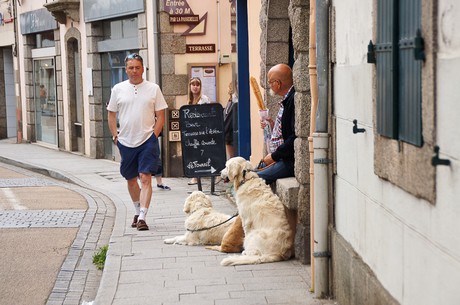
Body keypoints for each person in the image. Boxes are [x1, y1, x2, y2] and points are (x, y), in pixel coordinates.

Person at [107, 53, 168, 231]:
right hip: (125, 141)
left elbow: (161, 115)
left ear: (143, 69)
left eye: (137, 67)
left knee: (145, 177)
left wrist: (153, 136)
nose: (134, 71)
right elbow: (111, 114)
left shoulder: (153, 88)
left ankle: (142, 216)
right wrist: (115, 136)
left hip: (147, 140)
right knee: (131, 179)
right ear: (126, 70)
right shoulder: (118, 89)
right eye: (131, 68)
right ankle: (136, 209)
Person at [257, 63, 296, 185]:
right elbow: (285, 131)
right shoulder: (287, 98)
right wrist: (272, 125)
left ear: (278, 83)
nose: (269, 86)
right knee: (250, 174)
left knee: (251, 180)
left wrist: (274, 156)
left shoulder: (293, 99)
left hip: (287, 161)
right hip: (280, 157)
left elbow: (294, 137)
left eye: (270, 82)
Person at [187, 77, 211, 185]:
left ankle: (198, 175)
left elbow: (208, 114)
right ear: (190, 86)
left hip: (202, 130)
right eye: (193, 84)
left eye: (197, 85)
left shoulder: (204, 99)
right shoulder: (189, 100)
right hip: (192, 130)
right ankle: (195, 175)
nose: (195, 87)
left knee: (200, 153)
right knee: (193, 153)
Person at [224, 81, 237, 159]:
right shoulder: (230, 101)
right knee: (231, 157)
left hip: (231, 134)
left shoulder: (234, 102)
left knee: (232, 157)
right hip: (229, 134)